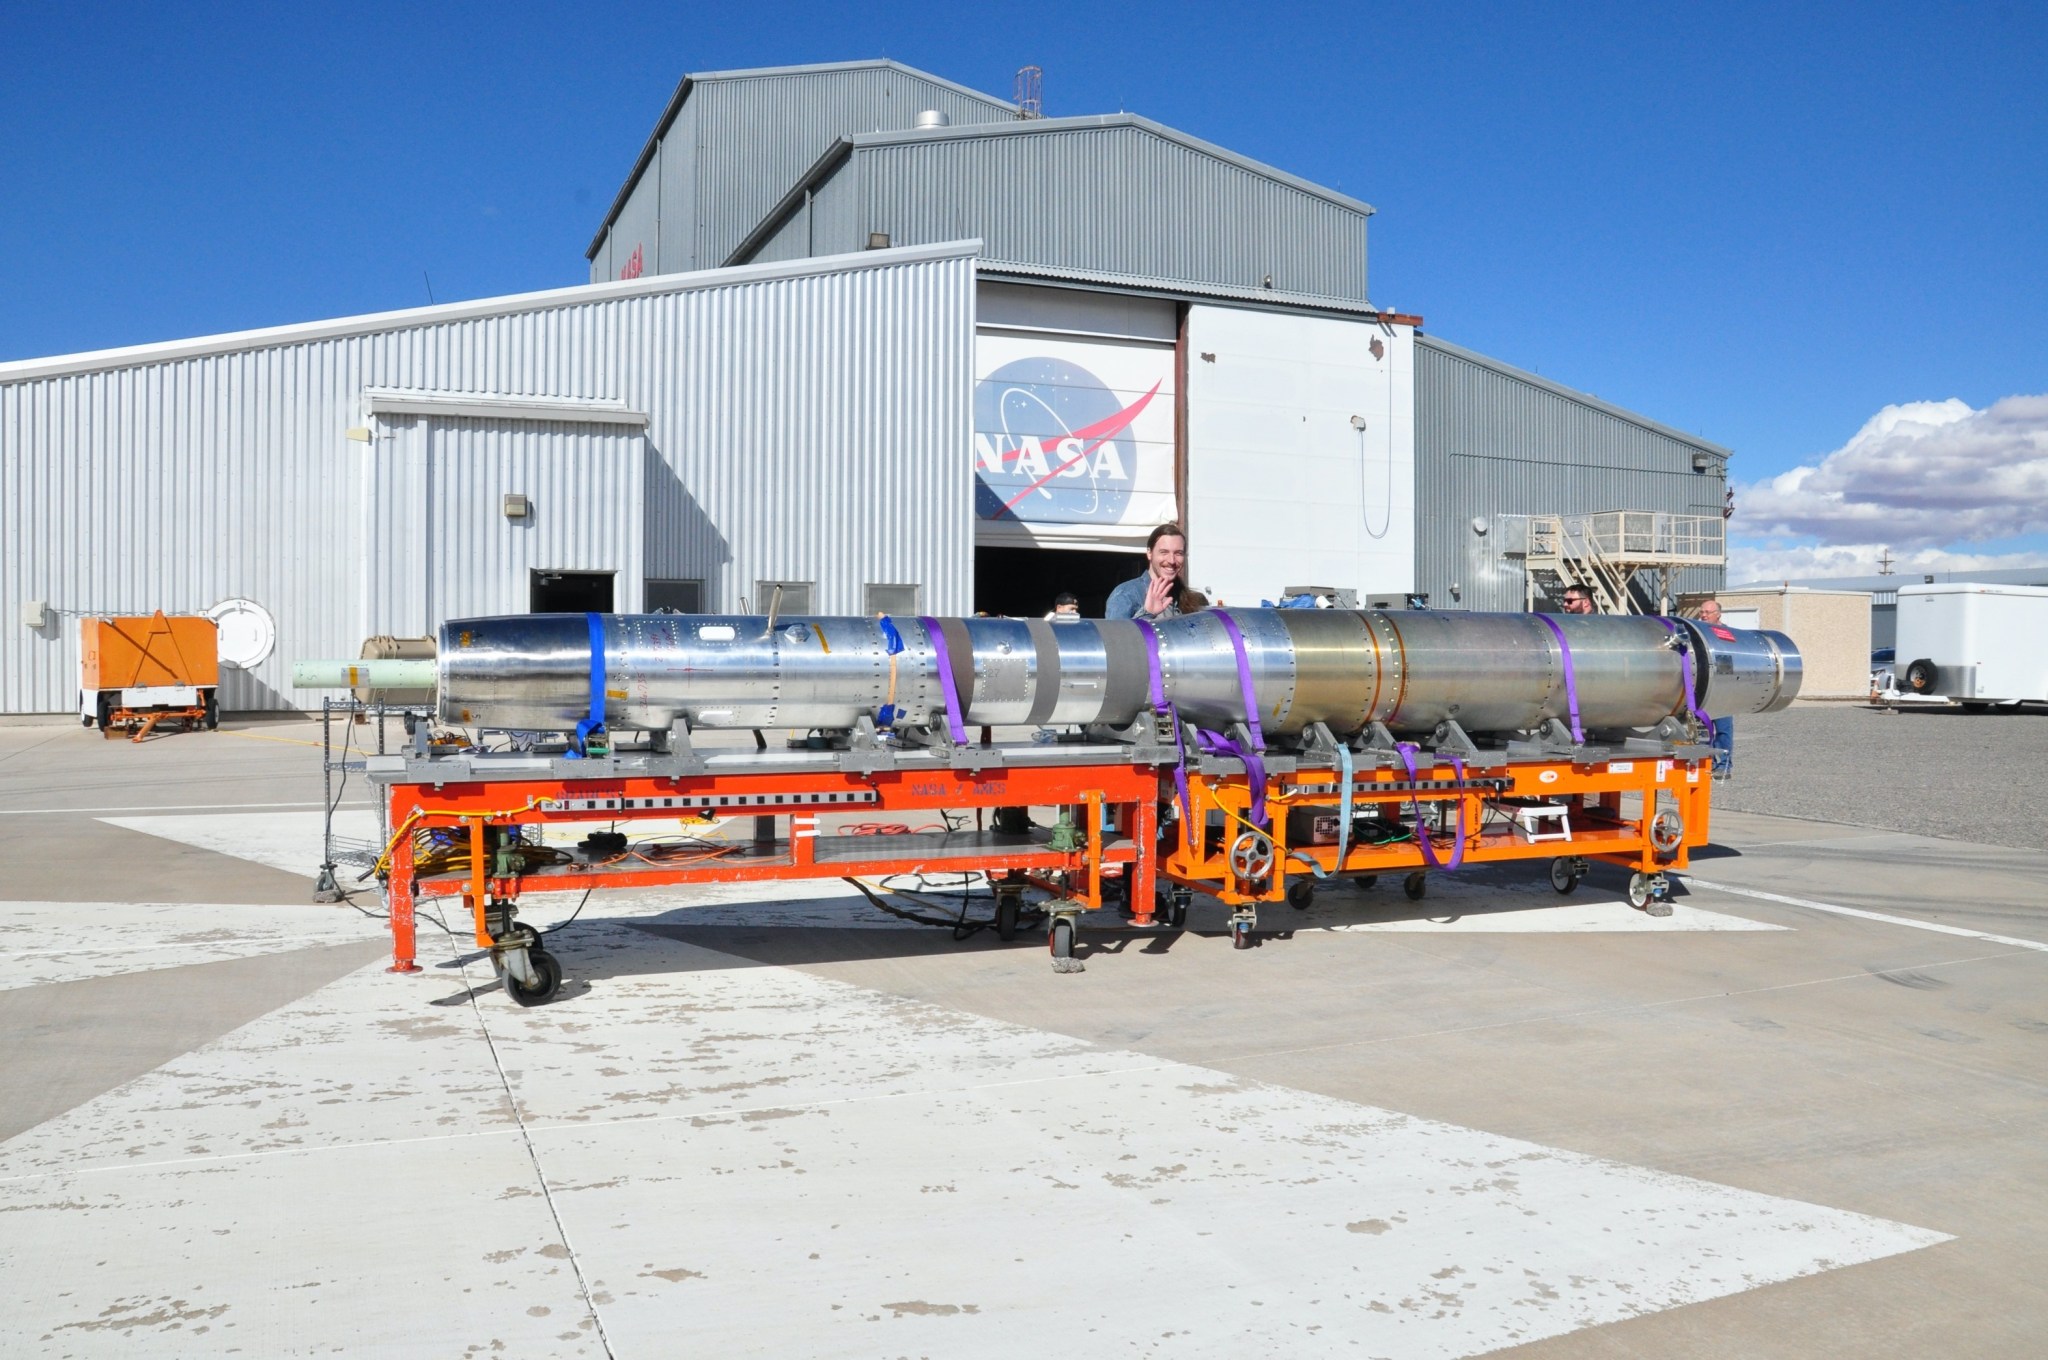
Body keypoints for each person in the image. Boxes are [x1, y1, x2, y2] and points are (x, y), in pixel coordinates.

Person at [1105, 524, 1192, 621]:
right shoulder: (1126, 594)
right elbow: (1116, 635)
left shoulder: (1188, 598)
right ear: (1149, 554)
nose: (1171, 560)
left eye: (1178, 553)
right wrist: (1147, 614)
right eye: (1164, 552)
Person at [1697, 598, 1736, 777]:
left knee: (1723, 730)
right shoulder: (1698, 633)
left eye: (1707, 612)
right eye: (1702, 612)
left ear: (1718, 614)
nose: (1703, 615)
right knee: (1703, 730)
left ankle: (1724, 765)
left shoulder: (1725, 635)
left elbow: (1730, 661)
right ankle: (1707, 763)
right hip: (1703, 690)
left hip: (1722, 690)